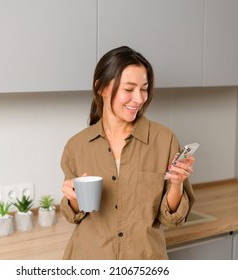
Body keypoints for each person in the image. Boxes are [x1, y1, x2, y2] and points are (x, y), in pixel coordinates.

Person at [60, 46, 196, 259]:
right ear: (102, 88)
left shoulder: (164, 139)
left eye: (144, 88)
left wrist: (177, 183)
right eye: (129, 89)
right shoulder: (77, 146)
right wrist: (72, 197)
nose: (140, 99)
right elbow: (75, 215)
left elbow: (171, 219)